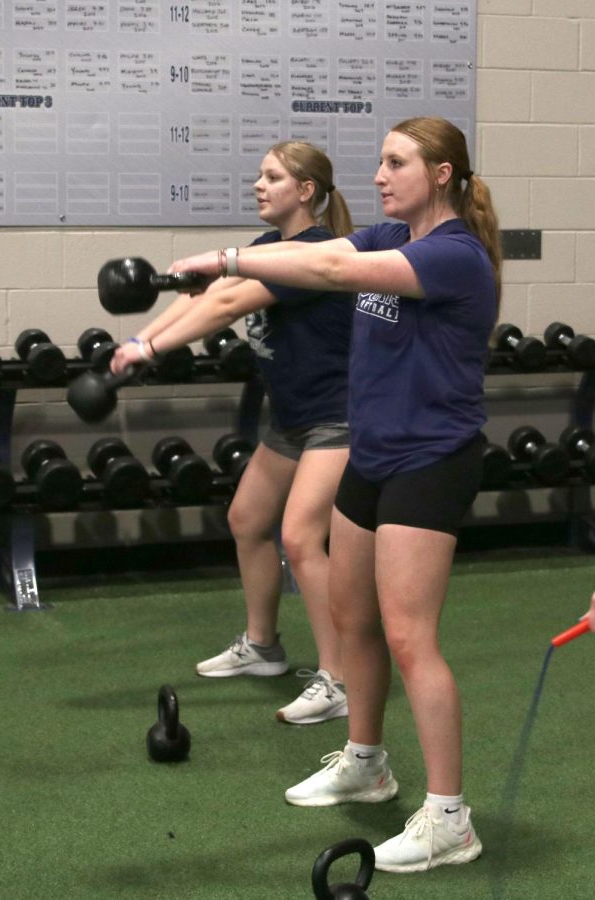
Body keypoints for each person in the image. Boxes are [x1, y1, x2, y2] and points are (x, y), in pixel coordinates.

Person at [164, 117, 502, 874]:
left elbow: (331, 274)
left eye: (397, 162)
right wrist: (221, 273)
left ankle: (450, 818)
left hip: (431, 458)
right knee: (353, 623)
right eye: (379, 162)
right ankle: (367, 761)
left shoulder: (454, 256)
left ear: (442, 173)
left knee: (411, 636)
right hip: (373, 455)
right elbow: (320, 252)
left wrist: (225, 258)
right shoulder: (388, 235)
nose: (380, 175)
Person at [111, 141, 356, 725]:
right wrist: (142, 339)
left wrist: (148, 347)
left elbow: (228, 307)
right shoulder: (270, 248)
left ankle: (340, 678)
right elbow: (212, 294)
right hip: (294, 418)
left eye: (272, 176)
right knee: (247, 519)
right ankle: (264, 647)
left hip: (339, 418)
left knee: (300, 538)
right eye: (258, 175)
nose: (258, 185)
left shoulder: (313, 252)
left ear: (306, 191)